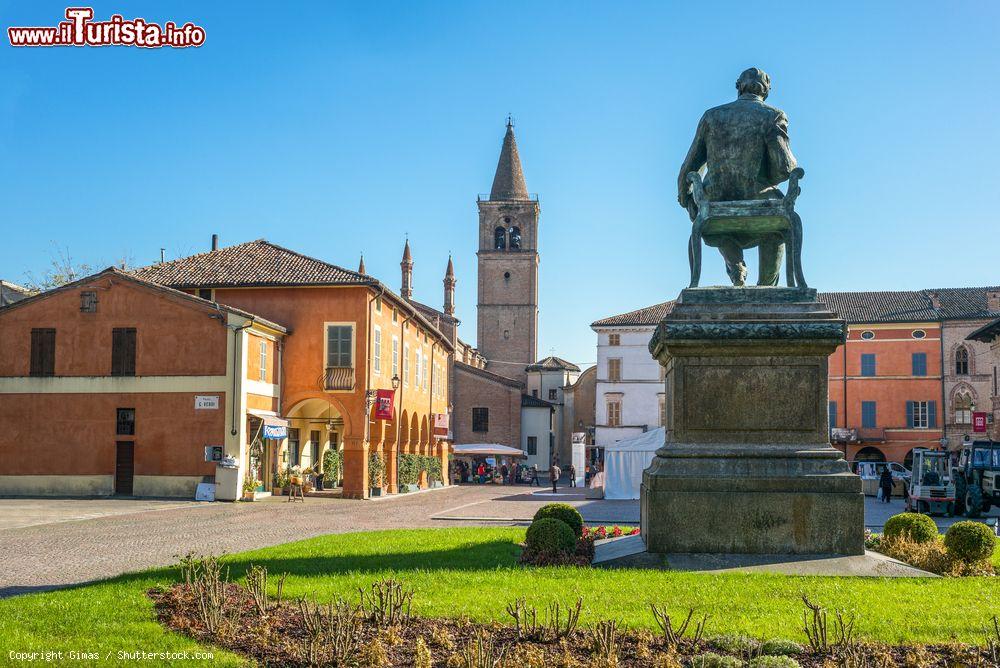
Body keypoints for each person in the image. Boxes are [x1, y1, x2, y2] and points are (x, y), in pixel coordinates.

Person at [677, 68, 798, 287]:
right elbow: (786, 167)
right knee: (778, 226)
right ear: (767, 90)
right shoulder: (774, 116)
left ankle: (736, 268)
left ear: (738, 87)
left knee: (717, 223)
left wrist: (686, 198)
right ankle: (767, 287)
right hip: (758, 200)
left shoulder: (711, 116)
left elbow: (689, 167)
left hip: (714, 201)